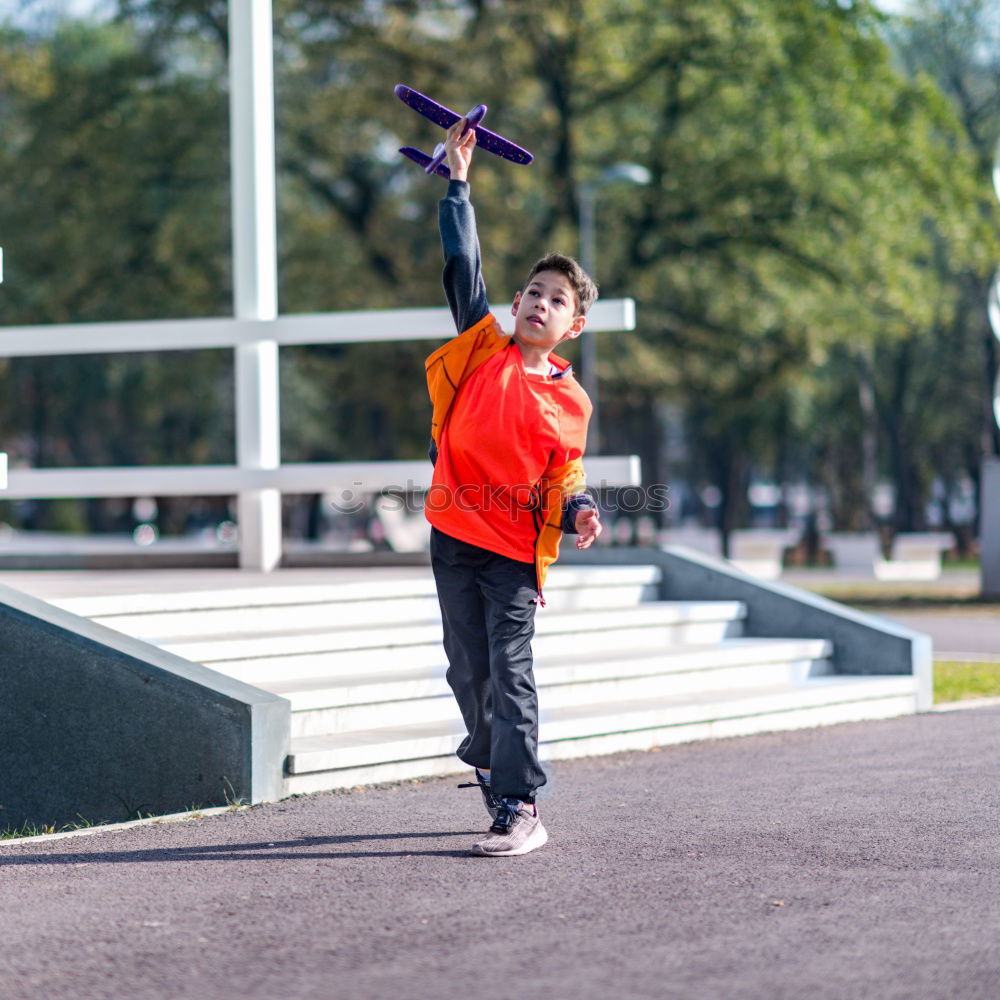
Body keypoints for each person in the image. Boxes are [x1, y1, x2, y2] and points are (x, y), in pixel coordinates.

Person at [424, 118, 602, 857]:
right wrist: (458, 185)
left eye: (555, 299)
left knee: (510, 669)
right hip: (451, 535)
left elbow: (567, 477)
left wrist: (584, 509)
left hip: (513, 553)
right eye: (533, 291)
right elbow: (464, 267)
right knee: (467, 670)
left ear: (574, 325)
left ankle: (523, 803)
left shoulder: (570, 401)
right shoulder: (484, 349)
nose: (538, 302)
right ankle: (495, 766)